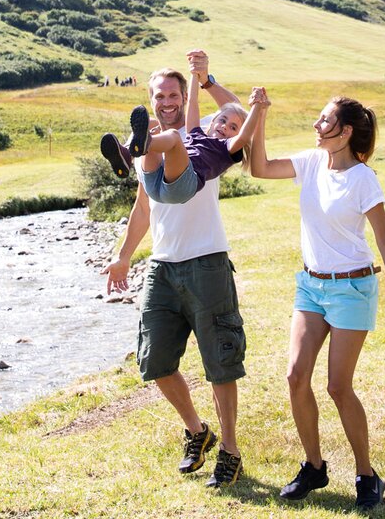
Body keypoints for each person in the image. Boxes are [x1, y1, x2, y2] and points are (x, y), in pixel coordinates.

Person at [243, 89, 385, 510]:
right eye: (318, 119)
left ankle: (367, 476)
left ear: (345, 131)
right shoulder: (312, 161)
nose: (317, 125)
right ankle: (314, 467)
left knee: (338, 386)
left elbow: (384, 237)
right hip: (311, 286)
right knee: (296, 377)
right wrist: (258, 113)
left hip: (352, 287)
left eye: (324, 120)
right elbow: (258, 167)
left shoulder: (363, 179)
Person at [103, 52, 250, 489]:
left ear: (183, 97)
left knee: (221, 363)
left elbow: (239, 116)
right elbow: (143, 207)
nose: (166, 101)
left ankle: (230, 450)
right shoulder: (148, 146)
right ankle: (197, 430)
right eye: (159, 95)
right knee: (155, 361)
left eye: (173, 94)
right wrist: (124, 254)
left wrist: (204, 78)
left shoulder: (204, 135)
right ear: (150, 99)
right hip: (163, 267)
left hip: (206, 262)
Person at [98, 74, 259, 206]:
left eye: (233, 128)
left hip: (183, 187)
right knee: (155, 132)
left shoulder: (227, 148)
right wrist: (195, 74)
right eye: (223, 121)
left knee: (174, 137)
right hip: (155, 186)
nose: (225, 127)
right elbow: (193, 102)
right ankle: (127, 154)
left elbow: (245, 135)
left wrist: (257, 106)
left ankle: (145, 143)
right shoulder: (196, 132)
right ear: (213, 121)